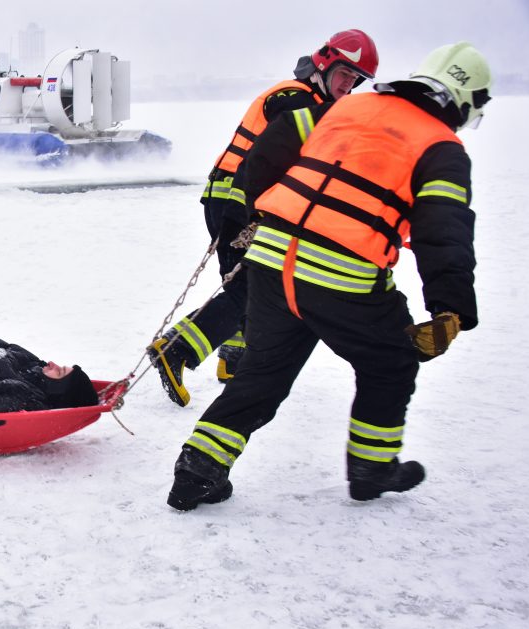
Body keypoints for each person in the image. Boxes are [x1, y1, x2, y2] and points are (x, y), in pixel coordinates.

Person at [166, 42, 492, 510]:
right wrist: (451, 308)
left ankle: (197, 471)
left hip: (273, 262)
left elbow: (264, 154)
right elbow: (444, 232)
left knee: (262, 372)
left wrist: (268, 216)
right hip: (344, 278)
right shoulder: (442, 147)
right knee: (392, 363)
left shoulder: (344, 109)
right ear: (465, 99)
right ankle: (371, 470)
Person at [148, 29, 379, 406]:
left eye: (355, 80)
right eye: (344, 75)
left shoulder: (314, 102)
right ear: (324, 64)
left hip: (249, 202)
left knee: (252, 284)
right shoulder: (293, 98)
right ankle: (176, 349)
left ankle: (233, 358)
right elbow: (270, 155)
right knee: (252, 287)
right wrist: (247, 216)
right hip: (236, 202)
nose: (348, 85)